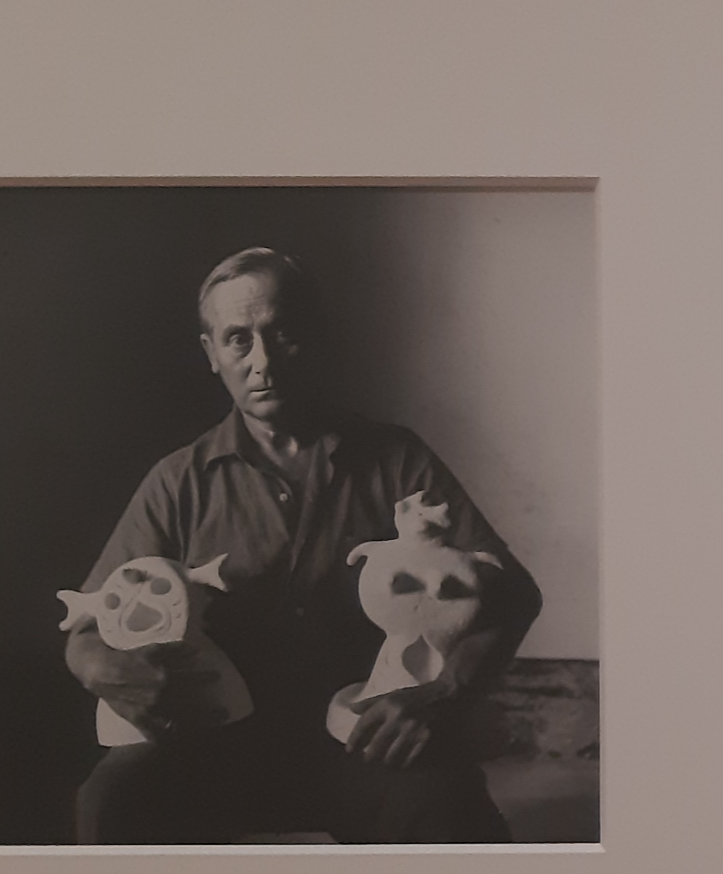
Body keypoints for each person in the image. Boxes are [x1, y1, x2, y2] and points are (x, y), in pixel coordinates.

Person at [62, 248, 542, 843]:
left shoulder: (396, 459)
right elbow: (85, 627)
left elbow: (513, 593)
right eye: (238, 339)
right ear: (211, 354)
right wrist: (108, 669)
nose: (262, 361)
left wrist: (443, 694)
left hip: (361, 739)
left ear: (315, 338)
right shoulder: (178, 481)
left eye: (282, 333)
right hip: (211, 749)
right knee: (110, 802)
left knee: (448, 809)